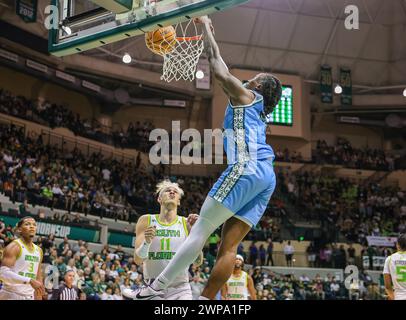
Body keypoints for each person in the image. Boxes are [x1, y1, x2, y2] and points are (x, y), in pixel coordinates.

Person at [132, 14, 281, 300]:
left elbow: (219, 71)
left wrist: (207, 31)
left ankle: (156, 287)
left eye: (255, 79)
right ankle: (205, 300)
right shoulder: (260, 112)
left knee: (200, 229)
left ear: (259, 87)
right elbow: (222, 67)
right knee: (228, 248)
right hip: (266, 178)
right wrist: (209, 30)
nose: (250, 79)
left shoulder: (249, 97)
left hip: (246, 168)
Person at [123, 180, 202, 300]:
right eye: (167, 190)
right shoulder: (146, 220)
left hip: (180, 288)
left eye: (175, 192)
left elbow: (198, 262)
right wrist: (147, 242)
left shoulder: (187, 223)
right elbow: (138, 260)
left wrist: (194, 235)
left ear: (179, 201)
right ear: (159, 199)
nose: (171, 192)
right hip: (152, 288)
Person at [0, 216, 45, 300]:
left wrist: (39, 296)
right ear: (19, 229)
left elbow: (38, 278)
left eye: (34, 225)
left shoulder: (39, 250)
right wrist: (29, 280)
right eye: (27, 224)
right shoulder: (14, 246)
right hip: (10, 294)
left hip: (29, 296)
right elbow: (2, 273)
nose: (32, 226)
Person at [383, 233, 406, 300]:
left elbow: (387, 286)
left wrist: (392, 298)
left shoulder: (389, 259)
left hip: (398, 297)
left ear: (397, 245)